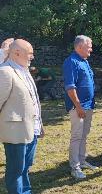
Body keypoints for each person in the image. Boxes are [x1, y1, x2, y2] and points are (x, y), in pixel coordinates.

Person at [0, 39, 44, 193]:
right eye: (30, 53)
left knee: (25, 168)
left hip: (32, 130)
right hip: (15, 132)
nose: (32, 56)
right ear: (17, 52)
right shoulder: (5, 72)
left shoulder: (24, 71)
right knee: (15, 171)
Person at [63, 35, 98, 179]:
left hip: (88, 106)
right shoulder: (71, 62)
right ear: (79, 47)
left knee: (84, 135)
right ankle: (75, 167)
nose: (91, 48)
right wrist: (78, 106)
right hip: (78, 107)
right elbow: (70, 87)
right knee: (77, 136)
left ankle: (82, 161)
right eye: (89, 46)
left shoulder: (84, 61)